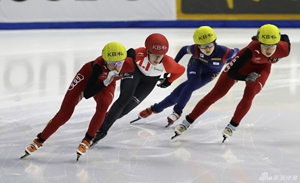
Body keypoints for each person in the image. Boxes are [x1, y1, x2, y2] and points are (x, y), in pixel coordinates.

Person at [171, 24, 291, 142]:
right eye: (264, 46)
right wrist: (246, 77)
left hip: (262, 69)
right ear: (259, 42)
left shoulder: (284, 49)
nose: (268, 50)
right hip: (240, 67)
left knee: (249, 94)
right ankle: (187, 121)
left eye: (272, 46)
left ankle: (232, 126)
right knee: (216, 93)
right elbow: (232, 73)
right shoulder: (251, 49)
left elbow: (285, 37)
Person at [21, 42, 136, 161]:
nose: (117, 67)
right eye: (112, 63)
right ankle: (39, 140)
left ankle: (87, 140)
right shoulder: (98, 66)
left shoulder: (129, 63)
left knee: (104, 105)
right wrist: (105, 81)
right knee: (64, 113)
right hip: (87, 78)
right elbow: (87, 93)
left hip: (107, 82)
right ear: (105, 61)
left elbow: (133, 52)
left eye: (120, 63)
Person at [91, 33, 185, 146]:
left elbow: (181, 70)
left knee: (124, 111)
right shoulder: (139, 53)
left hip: (149, 81)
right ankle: (101, 131)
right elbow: (120, 59)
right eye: (154, 55)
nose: (157, 59)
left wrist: (169, 81)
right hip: (134, 71)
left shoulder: (168, 63)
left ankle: (101, 120)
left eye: (160, 56)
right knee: (125, 98)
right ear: (147, 52)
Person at [137, 26, 239, 127]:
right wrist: (173, 65)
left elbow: (239, 52)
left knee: (179, 92)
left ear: (215, 42)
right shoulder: (195, 50)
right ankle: (177, 112)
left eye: (210, 45)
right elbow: (183, 50)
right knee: (191, 85)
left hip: (210, 73)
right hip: (196, 65)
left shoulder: (226, 52)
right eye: (203, 46)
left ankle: (155, 108)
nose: (207, 49)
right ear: (198, 45)